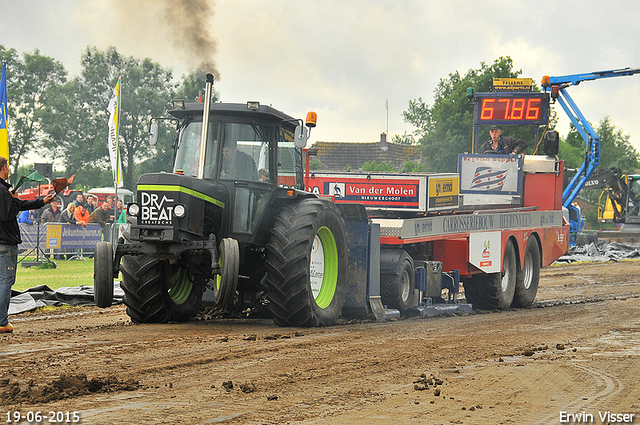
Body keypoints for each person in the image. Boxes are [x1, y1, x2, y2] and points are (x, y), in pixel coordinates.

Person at [0, 156, 55, 333]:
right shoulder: (2, 191)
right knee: (6, 281)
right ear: (3, 167)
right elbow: (8, 213)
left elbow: (17, 205)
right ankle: (1, 322)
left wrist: (41, 202)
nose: (9, 170)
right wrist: (14, 199)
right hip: (5, 243)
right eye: (7, 167)